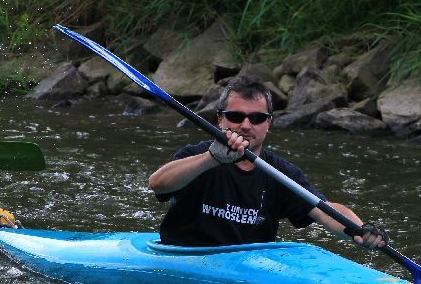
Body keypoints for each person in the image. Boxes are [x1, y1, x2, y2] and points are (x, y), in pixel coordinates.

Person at [148, 75, 388, 248]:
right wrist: (211, 159)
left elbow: (324, 210)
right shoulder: (198, 155)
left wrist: (359, 230)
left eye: (256, 118)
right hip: (187, 258)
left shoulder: (280, 172)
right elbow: (157, 184)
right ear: (220, 120)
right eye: (236, 116)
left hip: (248, 268)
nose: (245, 125)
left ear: (269, 123)